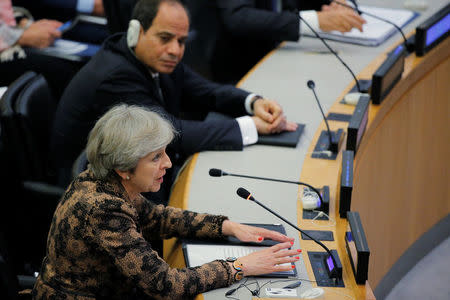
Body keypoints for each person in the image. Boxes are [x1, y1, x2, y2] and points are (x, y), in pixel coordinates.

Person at [32, 104, 301, 299]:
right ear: (124, 166)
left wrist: (227, 226)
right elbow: (164, 284)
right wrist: (240, 266)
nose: (168, 163)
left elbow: (158, 218)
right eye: (155, 157)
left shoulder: (104, 180)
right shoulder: (103, 209)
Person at [50, 0, 298, 202]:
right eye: (165, 38)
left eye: (181, 41)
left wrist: (253, 102)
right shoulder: (116, 76)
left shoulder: (153, 59)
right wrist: (251, 127)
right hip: (94, 194)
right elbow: (170, 134)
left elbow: (207, 91)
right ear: (137, 32)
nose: (175, 50)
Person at [184, 0, 367, 84]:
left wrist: (340, 4)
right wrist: (316, 20)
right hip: (234, 68)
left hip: (284, 54)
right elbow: (238, 17)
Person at [0, 0, 81, 98]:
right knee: (59, 68)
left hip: (9, 28)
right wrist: (19, 37)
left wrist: (22, 22)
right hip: (6, 45)